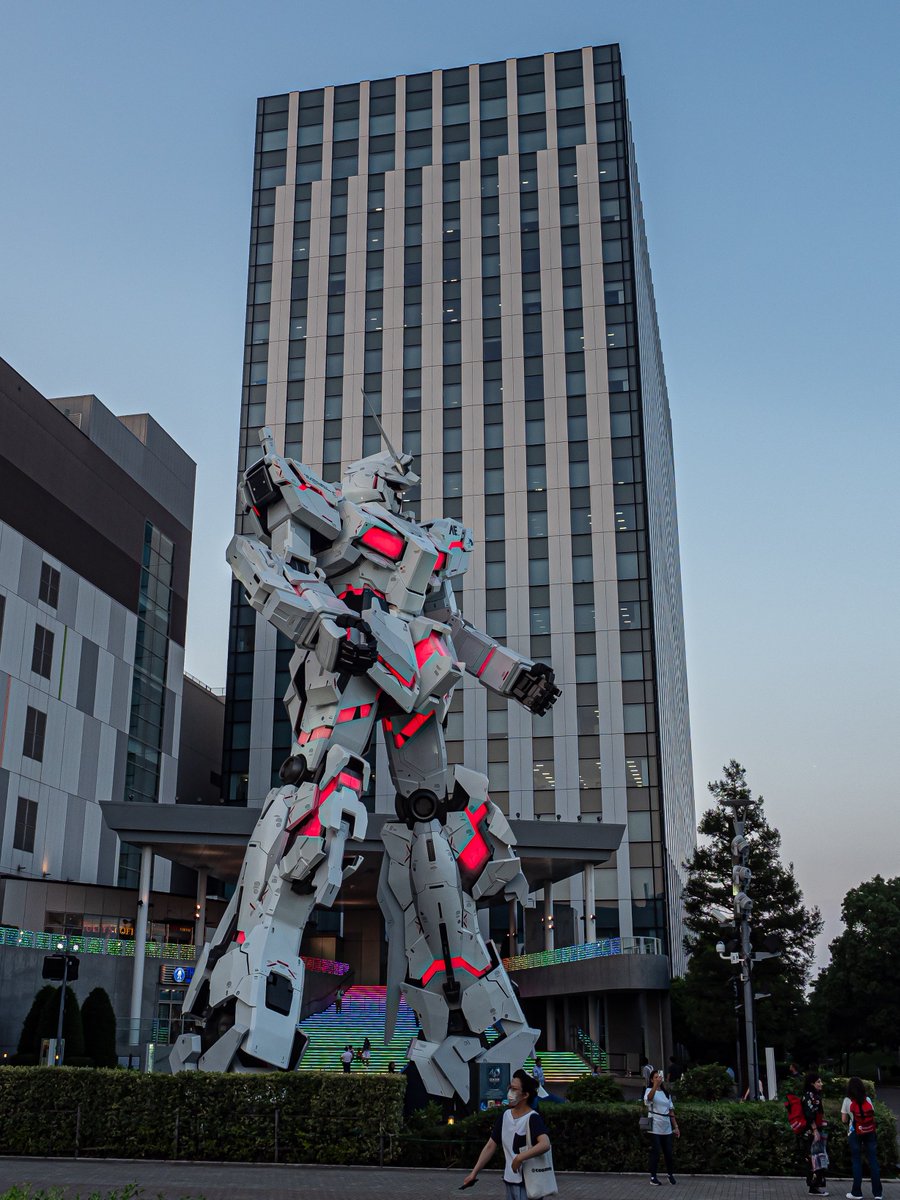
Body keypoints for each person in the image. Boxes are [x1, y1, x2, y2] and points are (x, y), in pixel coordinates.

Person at [463, 1070, 551, 1198]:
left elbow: (545, 1143)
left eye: (514, 1089)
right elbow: (490, 1146)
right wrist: (474, 1172)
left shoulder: (532, 1118)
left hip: (528, 1183)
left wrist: (520, 1158)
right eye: (510, 1087)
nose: (510, 1092)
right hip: (510, 1180)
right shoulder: (505, 1116)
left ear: (525, 1095)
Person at [841, 1076, 882, 1200]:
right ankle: (878, 1194)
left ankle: (857, 1193)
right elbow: (872, 1115)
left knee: (856, 1161)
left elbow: (844, 1119)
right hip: (869, 1132)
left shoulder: (847, 1100)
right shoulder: (867, 1099)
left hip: (855, 1133)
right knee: (873, 1161)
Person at [644, 1068, 680, 1185]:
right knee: (656, 1152)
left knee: (668, 1152)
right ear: (651, 1080)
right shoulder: (649, 1090)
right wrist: (655, 1085)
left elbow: (671, 1111)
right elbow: (649, 1099)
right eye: (655, 1077)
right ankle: (653, 1177)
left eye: (659, 1077)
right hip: (654, 1125)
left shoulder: (666, 1093)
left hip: (666, 1126)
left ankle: (670, 1174)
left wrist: (676, 1126)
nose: (658, 1079)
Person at [799, 1072, 828, 1196]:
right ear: (812, 1083)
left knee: (816, 1158)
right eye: (818, 1082)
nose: (821, 1084)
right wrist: (815, 1130)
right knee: (815, 1159)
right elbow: (809, 1115)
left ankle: (815, 1186)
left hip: (812, 1131)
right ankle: (814, 1187)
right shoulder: (811, 1097)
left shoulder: (811, 1095)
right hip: (812, 1133)